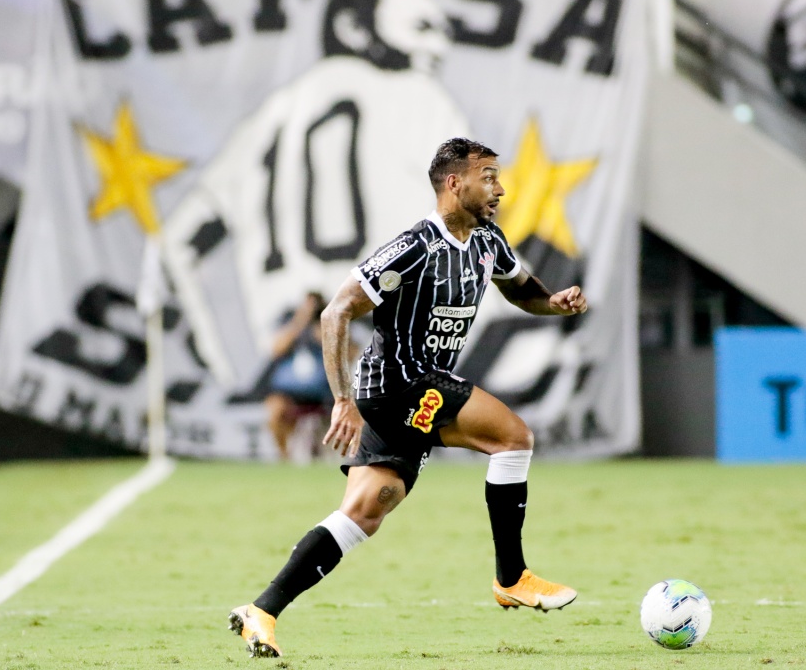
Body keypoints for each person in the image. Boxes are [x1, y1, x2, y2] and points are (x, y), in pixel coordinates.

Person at [228, 138, 589, 658]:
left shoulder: (487, 240)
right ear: (454, 183)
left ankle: (261, 612)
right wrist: (341, 400)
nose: (500, 188)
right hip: (400, 386)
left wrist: (554, 303)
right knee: (513, 438)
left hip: (411, 394)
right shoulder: (415, 246)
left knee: (365, 511)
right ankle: (512, 577)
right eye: (488, 176)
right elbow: (336, 313)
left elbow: (520, 290)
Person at [160, 0, 468, 389]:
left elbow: (178, 240)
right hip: (379, 333)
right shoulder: (419, 97)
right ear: (355, 28)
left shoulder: (271, 115)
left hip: (284, 338)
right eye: (421, 28)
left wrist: (221, 363)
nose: (439, 47)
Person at [264, 292, 332, 461]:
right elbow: (276, 349)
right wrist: (302, 319)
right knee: (275, 410)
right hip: (289, 392)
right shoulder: (292, 326)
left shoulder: (329, 325)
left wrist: (323, 321)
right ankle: (283, 455)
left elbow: (344, 352)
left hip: (323, 393)